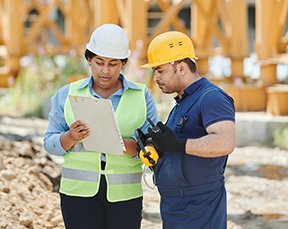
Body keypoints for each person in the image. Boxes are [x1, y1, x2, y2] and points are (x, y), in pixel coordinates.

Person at [43, 23, 158, 229]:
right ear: (89, 60)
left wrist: (124, 145)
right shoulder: (67, 95)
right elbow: (50, 143)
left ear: (123, 63)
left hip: (125, 195)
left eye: (113, 64)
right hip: (77, 194)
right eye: (99, 62)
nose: (105, 71)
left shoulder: (142, 96)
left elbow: (154, 146)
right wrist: (70, 137)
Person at [141, 31, 235, 229]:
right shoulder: (182, 103)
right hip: (177, 204)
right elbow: (180, 149)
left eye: (160, 70)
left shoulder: (211, 98)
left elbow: (225, 142)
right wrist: (157, 148)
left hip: (199, 205)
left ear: (181, 67)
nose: (155, 77)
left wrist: (177, 144)